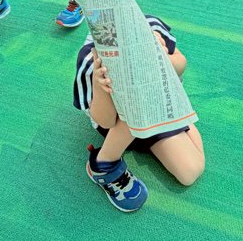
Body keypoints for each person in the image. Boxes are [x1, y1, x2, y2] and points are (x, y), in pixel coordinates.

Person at [73, 16, 204, 212]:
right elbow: (105, 121)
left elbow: (180, 63)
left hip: (158, 108)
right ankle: (104, 163)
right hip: (118, 123)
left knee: (190, 171)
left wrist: (164, 58)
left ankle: (170, 120)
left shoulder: (152, 29)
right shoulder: (92, 61)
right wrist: (100, 87)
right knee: (138, 97)